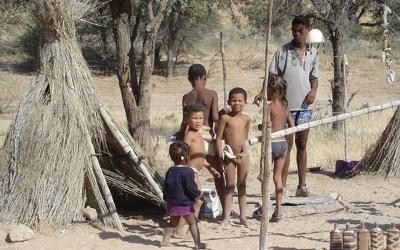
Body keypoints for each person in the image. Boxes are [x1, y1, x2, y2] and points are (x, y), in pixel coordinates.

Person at [254, 16, 319, 197]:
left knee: (302, 144)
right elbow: (272, 77)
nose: (297, 33)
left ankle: (302, 185)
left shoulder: (313, 53)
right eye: (294, 30)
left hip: (305, 107)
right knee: (286, 146)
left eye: (300, 30)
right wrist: (263, 93)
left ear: (306, 30)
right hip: (285, 107)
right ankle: (280, 187)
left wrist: (313, 92)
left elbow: (314, 78)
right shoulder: (283, 52)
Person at [178, 63, 226, 213]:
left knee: (190, 174)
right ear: (205, 77)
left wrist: (180, 138)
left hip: (192, 135)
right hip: (207, 135)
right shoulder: (211, 94)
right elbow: (215, 117)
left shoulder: (187, 97)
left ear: (189, 79)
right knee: (218, 174)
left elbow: (184, 120)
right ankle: (226, 210)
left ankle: (188, 209)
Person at [174, 103, 219, 238]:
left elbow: (200, 156)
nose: (198, 121)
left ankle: (189, 230)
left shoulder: (198, 134)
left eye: (200, 118)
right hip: (189, 172)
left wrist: (211, 168)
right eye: (195, 118)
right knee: (194, 200)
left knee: (198, 201)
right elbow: (185, 151)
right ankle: (179, 230)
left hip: (195, 173)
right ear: (187, 119)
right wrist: (183, 168)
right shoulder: (189, 135)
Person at [161, 141, 206, 249]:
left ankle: (164, 242)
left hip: (172, 203)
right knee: (193, 223)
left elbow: (166, 186)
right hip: (185, 204)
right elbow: (191, 188)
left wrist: (166, 199)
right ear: (185, 157)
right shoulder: (188, 171)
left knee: (172, 223)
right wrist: (199, 195)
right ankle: (197, 244)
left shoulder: (170, 171)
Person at [216, 87, 251, 227]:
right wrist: (220, 158)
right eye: (234, 100)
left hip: (243, 155)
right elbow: (219, 138)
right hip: (229, 155)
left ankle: (243, 217)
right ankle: (226, 217)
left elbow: (245, 137)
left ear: (245, 102)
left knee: (242, 185)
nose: (237, 103)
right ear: (228, 101)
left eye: (240, 101)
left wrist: (244, 151)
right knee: (229, 185)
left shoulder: (247, 119)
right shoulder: (225, 118)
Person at [268, 76, 295, 222]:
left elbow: (267, 124)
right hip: (283, 143)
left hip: (271, 143)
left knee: (265, 176)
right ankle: (278, 208)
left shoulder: (269, 105)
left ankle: (266, 206)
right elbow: (292, 124)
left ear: (272, 90)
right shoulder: (285, 105)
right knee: (277, 178)